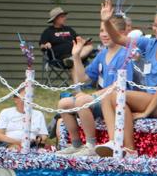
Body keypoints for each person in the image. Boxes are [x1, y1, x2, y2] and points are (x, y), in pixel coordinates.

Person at [97, 0, 157, 157]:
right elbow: (119, 39)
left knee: (116, 95)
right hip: (150, 98)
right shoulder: (150, 44)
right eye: (155, 25)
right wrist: (106, 21)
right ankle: (115, 142)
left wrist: (146, 112)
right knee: (110, 97)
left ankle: (131, 150)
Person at [56, 15, 133, 157]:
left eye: (109, 31)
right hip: (102, 100)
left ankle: (91, 145)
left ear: (120, 34)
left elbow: (119, 87)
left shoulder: (125, 54)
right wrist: (77, 57)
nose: (104, 34)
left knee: (82, 101)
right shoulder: (102, 54)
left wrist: (91, 96)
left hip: (117, 102)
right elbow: (84, 79)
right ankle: (76, 145)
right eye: (101, 30)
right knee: (64, 103)